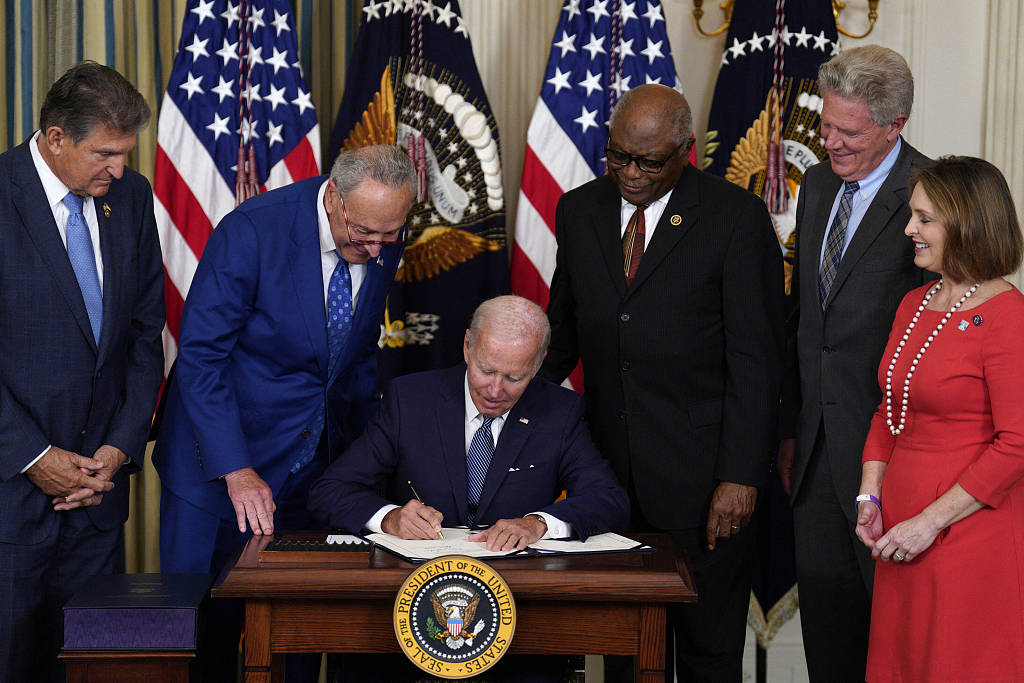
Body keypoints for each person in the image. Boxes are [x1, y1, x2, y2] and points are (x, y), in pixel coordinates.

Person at [541, 83, 784, 680]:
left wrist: (740, 476)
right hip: (607, 477)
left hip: (703, 480)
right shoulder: (579, 210)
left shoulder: (733, 217)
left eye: (649, 162)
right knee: (627, 649)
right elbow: (561, 334)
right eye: (618, 155)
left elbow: (758, 357)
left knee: (707, 653)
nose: (630, 173)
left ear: (686, 151)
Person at [153, 144, 415, 681]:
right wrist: (236, 469)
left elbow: (357, 358)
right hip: (218, 468)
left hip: (313, 469)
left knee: (299, 626)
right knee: (206, 635)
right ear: (335, 198)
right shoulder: (252, 231)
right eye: (364, 231)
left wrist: (364, 465)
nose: (376, 246)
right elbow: (201, 358)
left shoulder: (383, 230)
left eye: (389, 235)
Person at [309, 295, 628, 681]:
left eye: (514, 377)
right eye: (486, 370)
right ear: (466, 346)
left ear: (539, 364)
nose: (495, 390)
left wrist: (539, 524)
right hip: (403, 609)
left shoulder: (559, 412)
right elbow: (331, 489)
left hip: (518, 620)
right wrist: (389, 518)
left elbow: (608, 499)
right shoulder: (410, 399)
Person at [0, 61, 165, 682]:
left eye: (125, 153)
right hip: (10, 498)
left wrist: (119, 448)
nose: (118, 170)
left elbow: (144, 337)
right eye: (105, 154)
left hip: (98, 497)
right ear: (54, 137)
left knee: (92, 667)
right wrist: (34, 454)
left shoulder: (132, 195)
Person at [776, 45, 935, 681]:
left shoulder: (931, 192)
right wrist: (790, 428)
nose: (830, 142)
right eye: (826, 125)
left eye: (849, 131)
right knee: (830, 644)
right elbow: (806, 322)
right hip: (814, 456)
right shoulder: (815, 184)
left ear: (894, 126)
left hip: (894, 455)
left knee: (895, 646)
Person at [854, 157, 1024, 681]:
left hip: (966, 536)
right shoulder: (915, 303)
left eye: (925, 219)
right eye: (913, 216)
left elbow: (1017, 442)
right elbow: (891, 408)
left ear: (967, 223)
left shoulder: (1006, 314)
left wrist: (929, 523)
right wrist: (870, 495)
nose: (910, 229)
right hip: (900, 536)